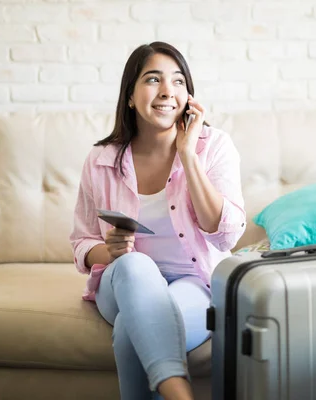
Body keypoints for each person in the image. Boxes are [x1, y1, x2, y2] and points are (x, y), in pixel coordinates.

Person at [69, 41, 246, 400]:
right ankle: (176, 388)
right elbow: (81, 243)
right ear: (131, 97)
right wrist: (110, 251)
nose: (167, 91)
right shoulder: (102, 159)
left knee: (130, 329)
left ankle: (169, 384)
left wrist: (188, 155)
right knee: (136, 266)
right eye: (153, 79)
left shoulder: (214, 146)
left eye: (178, 81)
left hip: (192, 283)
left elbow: (226, 234)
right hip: (121, 283)